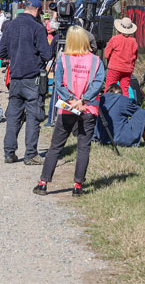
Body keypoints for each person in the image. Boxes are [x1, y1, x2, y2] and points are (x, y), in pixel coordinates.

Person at [34, 26, 105, 196]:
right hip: (88, 108)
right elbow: (98, 83)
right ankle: (77, 186)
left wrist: (72, 100)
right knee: (83, 147)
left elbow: (59, 83)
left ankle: (43, 183)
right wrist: (83, 100)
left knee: (56, 146)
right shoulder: (96, 61)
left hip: (67, 108)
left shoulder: (63, 59)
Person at [0, 0, 52, 165]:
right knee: (33, 116)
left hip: (15, 77)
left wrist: (16, 55)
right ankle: (30, 154)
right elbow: (47, 55)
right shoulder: (37, 27)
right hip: (32, 77)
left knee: (13, 116)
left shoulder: (11, 25)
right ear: (36, 10)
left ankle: (9, 153)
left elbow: (1, 51)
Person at [104, 17, 139, 96]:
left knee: (109, 87)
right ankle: (124, 106)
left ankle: (107, 105)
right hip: (127, 69)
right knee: (125, 90)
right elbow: (135, 56)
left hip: (114, 68)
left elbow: (106, 54)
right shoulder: (133, 41)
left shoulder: (115, 39)